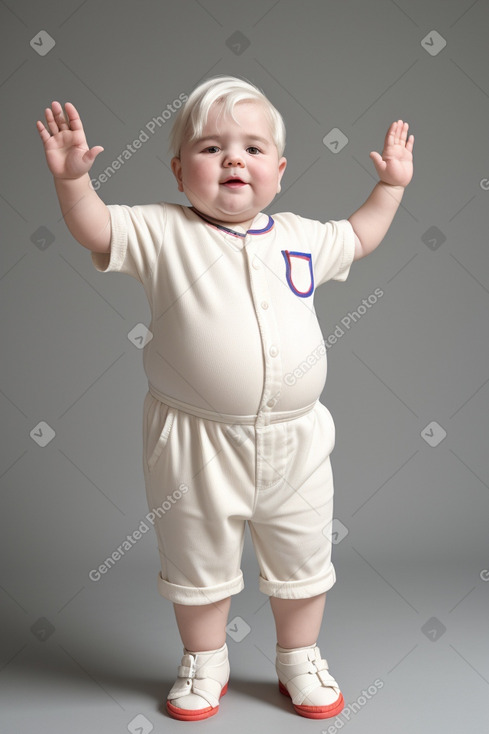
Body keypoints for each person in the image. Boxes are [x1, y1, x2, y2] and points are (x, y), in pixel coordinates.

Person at [36, 75, 414, 722]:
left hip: (296, 440)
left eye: (252, 148)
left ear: (279, 169)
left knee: (303, 556)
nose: (233, 159)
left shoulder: (299, 236)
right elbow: (95, 229)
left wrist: (390, 187)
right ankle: (203, 660)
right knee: (196, 559)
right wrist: (73, 182)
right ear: (180, 172)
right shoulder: (162, 232)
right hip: (193, 441)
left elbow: (359, 235)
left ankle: (298, 656)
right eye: (210, 149)